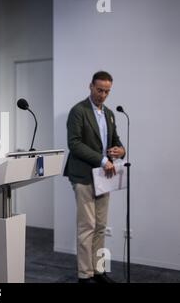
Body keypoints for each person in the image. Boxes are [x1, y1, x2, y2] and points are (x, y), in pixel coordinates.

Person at [63, 71, 125, 283]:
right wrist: (102, 160)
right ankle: (84, 275)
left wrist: (120, 151)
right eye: (99, 90)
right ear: (90, 86)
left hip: (104, 176)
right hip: (83, 176)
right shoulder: (78, 111)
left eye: (107, 91)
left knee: (100, 226)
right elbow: (75, 144)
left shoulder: (108, 113)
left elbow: (115, 140)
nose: (103, 95)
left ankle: (98, 271)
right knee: (87, 226)